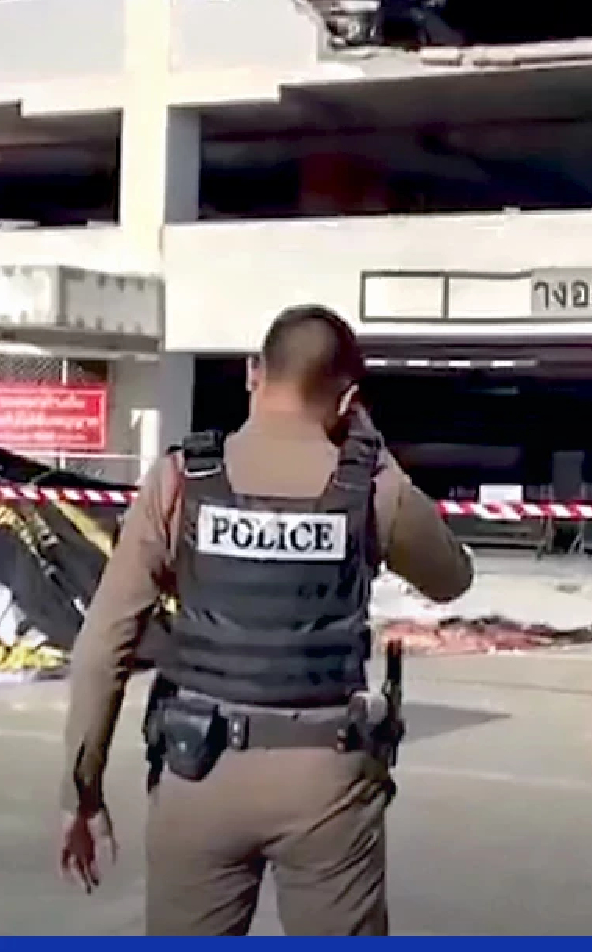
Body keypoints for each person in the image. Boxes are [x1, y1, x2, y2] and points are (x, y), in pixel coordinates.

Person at [56, 304, 474, 936]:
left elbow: (103, 647)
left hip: (198, 770)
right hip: (327, 782)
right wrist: (378, 455)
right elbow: (452, 577)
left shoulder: (180, 481)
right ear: (350, 398)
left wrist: (81, 793)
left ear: (253, 373)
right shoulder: (371, 487)